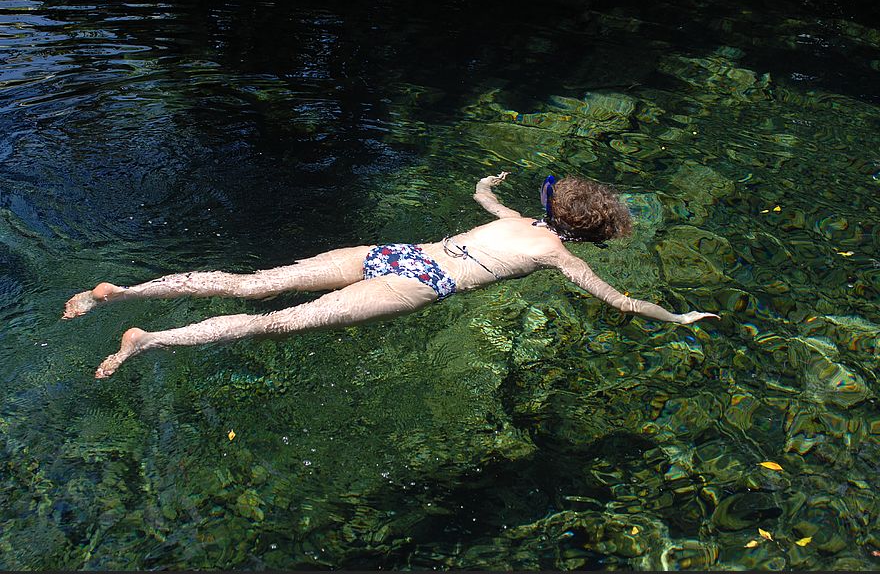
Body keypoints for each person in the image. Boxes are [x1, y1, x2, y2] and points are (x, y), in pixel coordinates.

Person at [63, 173, 719, 378]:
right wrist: (678, 316)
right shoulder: (558, 256)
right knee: (277, 324)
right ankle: (148, 339)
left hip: (395, 252)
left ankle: (123, 291)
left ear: (551, 206)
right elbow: (626, 301)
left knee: (250, 281)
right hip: (415, 285)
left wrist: (485, 185)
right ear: (588, 233)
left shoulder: (517, 217)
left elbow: (485, 201)